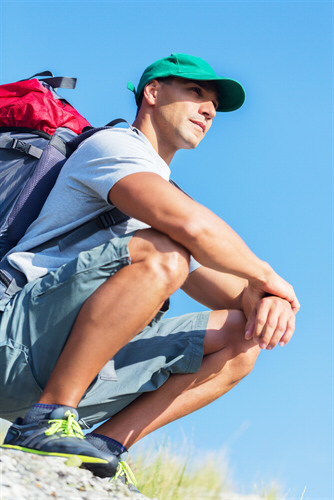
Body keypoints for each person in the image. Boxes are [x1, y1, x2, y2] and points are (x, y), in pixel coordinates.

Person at [0, 53, 299, 487]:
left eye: (214, 104)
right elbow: (192, 227)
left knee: (244, 334)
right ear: (153, 94)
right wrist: (270, 276)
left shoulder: (164, 199)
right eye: (196, 93)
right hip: (14, 339)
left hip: (66, 364)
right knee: (165, 256)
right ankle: (45, 422)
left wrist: (270, 301)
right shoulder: (112, 149)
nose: (209, 110)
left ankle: (104, 448)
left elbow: (236, 294)